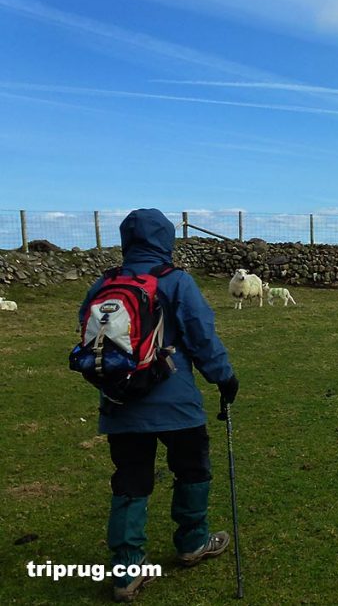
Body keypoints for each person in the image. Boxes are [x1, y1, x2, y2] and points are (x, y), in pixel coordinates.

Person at [78, 209, 239, 602]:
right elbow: (201, 335)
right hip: (176, 402)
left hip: (121, 402)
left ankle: (127, 570)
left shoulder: (104, 284)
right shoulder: (176, 281)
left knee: (130, 480)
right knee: (192, 469)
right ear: (166, 240)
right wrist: (224, 378)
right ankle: (193, 542)